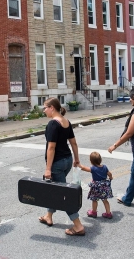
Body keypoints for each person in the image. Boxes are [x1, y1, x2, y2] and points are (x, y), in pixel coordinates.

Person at [38, 97, 85, 236]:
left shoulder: (53, 124)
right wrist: (76, 159)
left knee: (63, 194)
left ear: (52, 107)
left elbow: (51, 147)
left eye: (45, 108)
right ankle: (49, 216)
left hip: (57, 163)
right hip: (67, 160)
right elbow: (74, 143)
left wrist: (48, 168)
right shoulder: (66, 121)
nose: (44, 110)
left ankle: (78, 225)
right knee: (55, 188)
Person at [78, 152, 113, 219]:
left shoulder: (93, 168)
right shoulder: (105, 167)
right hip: (104, 186)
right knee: (105, 200)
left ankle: (94, 212)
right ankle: (108, 213)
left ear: (91, 161)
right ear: (100, 160)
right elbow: (109, 173)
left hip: (96, 187)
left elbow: (84, 168)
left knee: (94, 200)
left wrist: (78, 165)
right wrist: (111, 177)